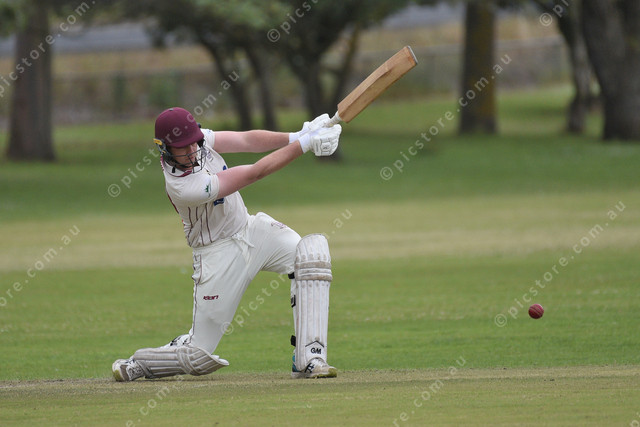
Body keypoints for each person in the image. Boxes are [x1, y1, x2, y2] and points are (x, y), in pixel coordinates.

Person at [112, 107, 342, 381]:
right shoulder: (182, 187)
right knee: (198, 355)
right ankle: (141, 362)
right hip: (216, 255)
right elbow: (254, 173)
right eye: (182, 148)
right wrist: (304, 145)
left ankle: (309, 358)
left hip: (251, 230)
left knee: (310, 255)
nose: (192, 152)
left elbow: (246, 140)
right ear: (165, 149)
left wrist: (296, 134)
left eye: (194, 144)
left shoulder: (199, 142)